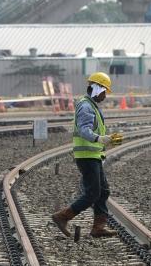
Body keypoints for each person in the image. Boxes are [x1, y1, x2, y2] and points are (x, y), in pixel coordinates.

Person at [51, 72, 122, 239]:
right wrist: (100, 138)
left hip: (93, 155)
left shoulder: (91, 105)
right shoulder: (86, 106)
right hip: (86, 156)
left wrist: (107, 140)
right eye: (104, 91)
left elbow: (93, 130)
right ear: (97, 89)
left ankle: (98, 227)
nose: (105, 96)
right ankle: (63, 216)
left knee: (103, 191)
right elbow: (84, 131)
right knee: (93, 193)